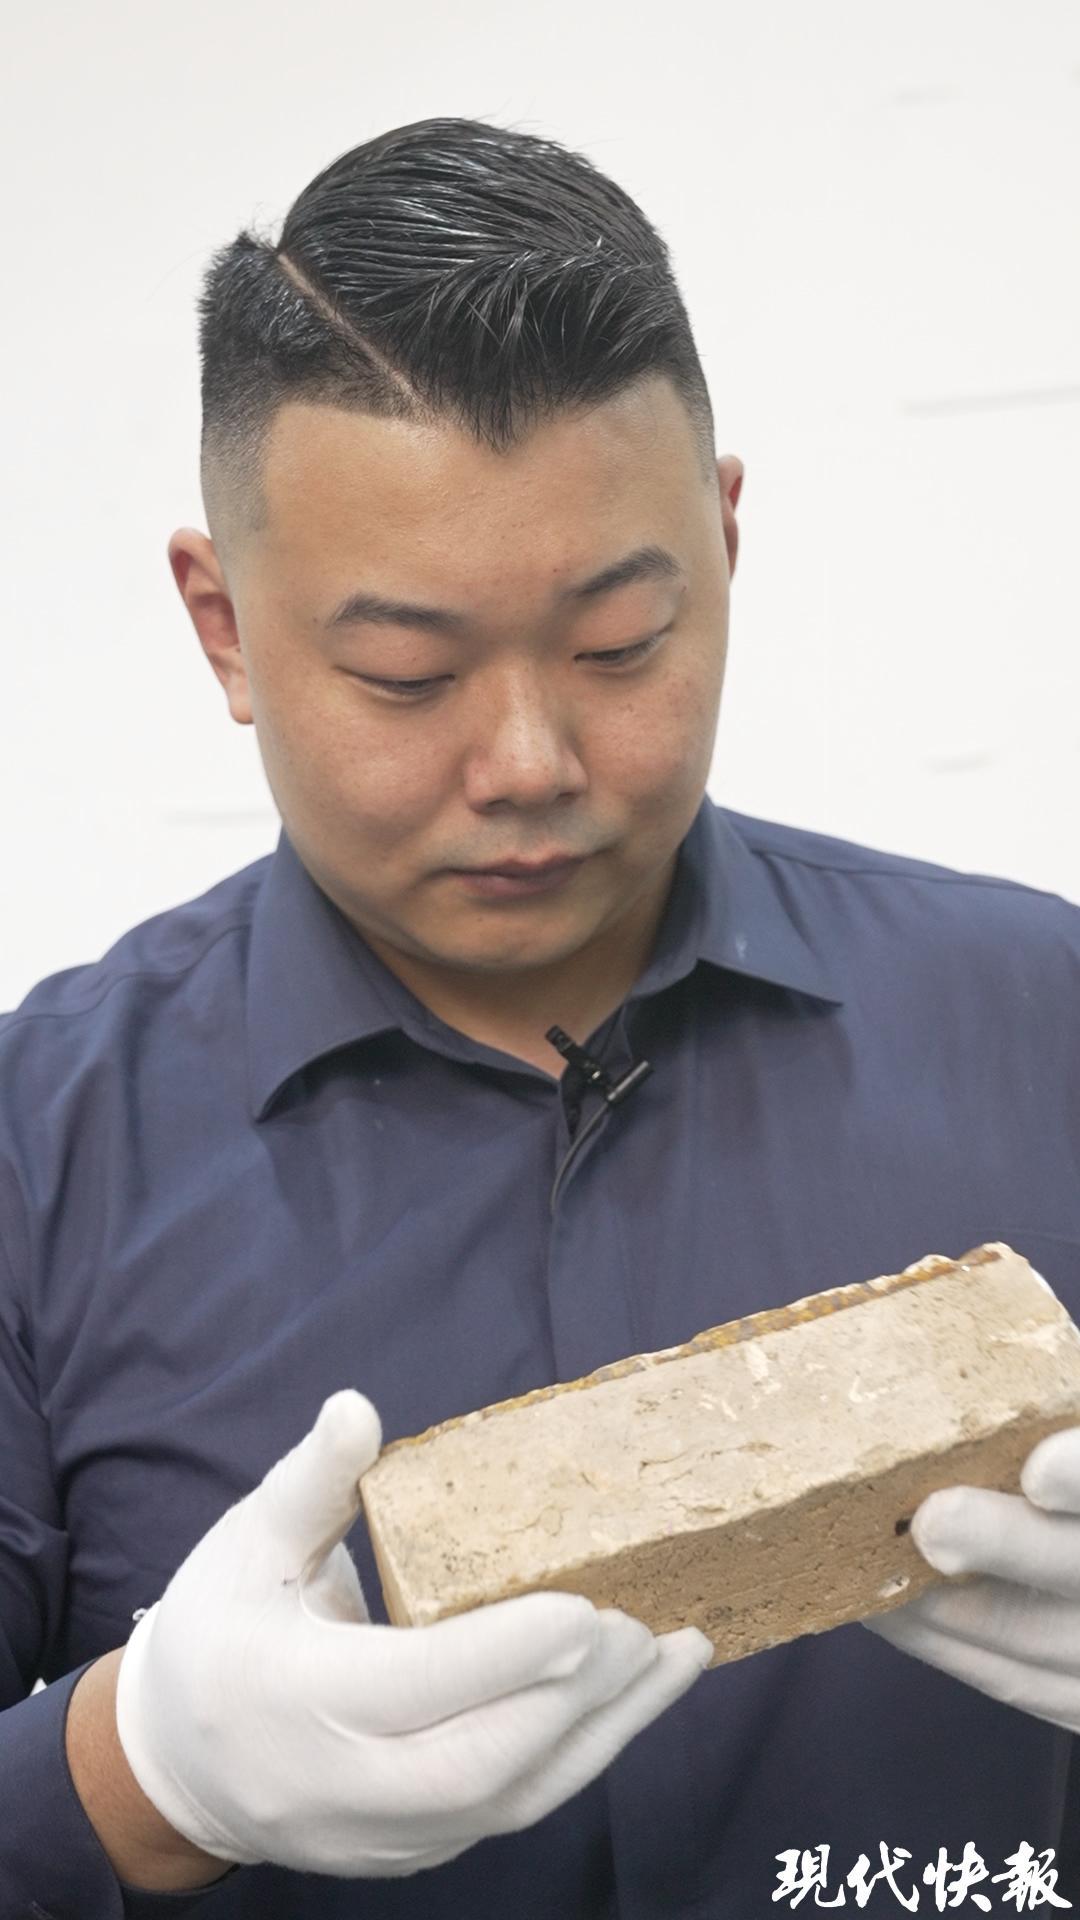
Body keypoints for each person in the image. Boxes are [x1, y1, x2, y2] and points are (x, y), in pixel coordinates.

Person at [1, 115, 1079, 1920]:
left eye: (619, 646)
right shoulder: (38, 1158)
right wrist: (135, 1777)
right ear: (225, 628)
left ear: (722, 541)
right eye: (405, 673)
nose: (528, 762)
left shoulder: (1046, 1021)